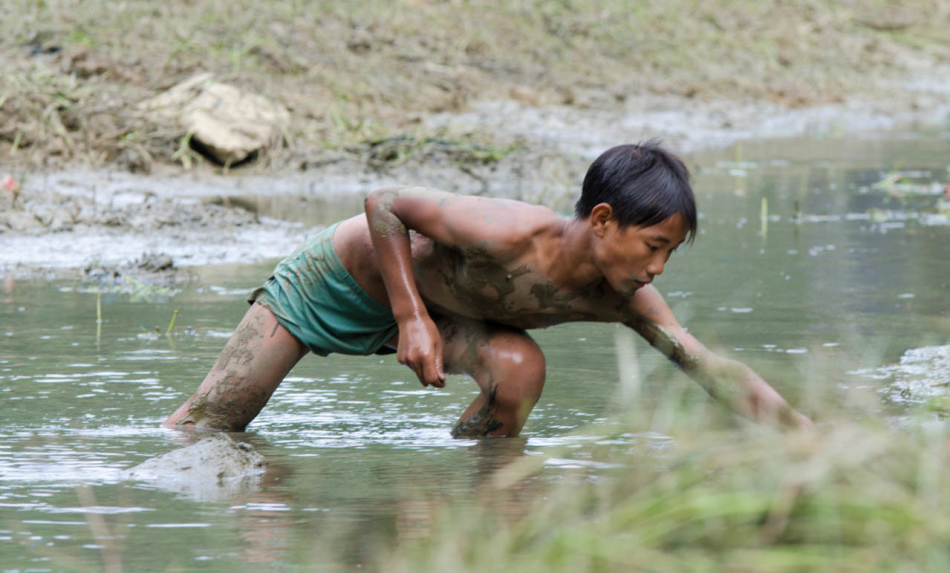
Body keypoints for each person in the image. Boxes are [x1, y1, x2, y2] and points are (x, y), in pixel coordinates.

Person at [164, 141, 814, 436]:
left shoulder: (619, 296)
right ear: (603, 220)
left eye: (669, 252)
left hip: (441, 313)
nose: (658, 269)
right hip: (339, 280)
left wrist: (804, 431)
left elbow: (707, 364)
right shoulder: (509, 233)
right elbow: (384, 201)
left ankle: (486, 491)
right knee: (208, 425)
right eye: (654, 246)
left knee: (519, 366)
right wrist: (410, 316)